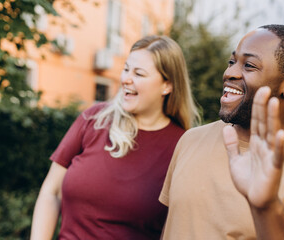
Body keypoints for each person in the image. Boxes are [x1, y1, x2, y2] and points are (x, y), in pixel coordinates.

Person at [30, 35, 200, 240]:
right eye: (126, 69)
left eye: (139, 73)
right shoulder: (93, 119)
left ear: (167, 85)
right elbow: (52, 191)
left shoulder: (182, 146)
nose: (126, 79)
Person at [159, 24, 284, 239]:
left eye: (249, 65)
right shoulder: (190, 139)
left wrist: (267, 206)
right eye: (232, 62)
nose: (229, 73)